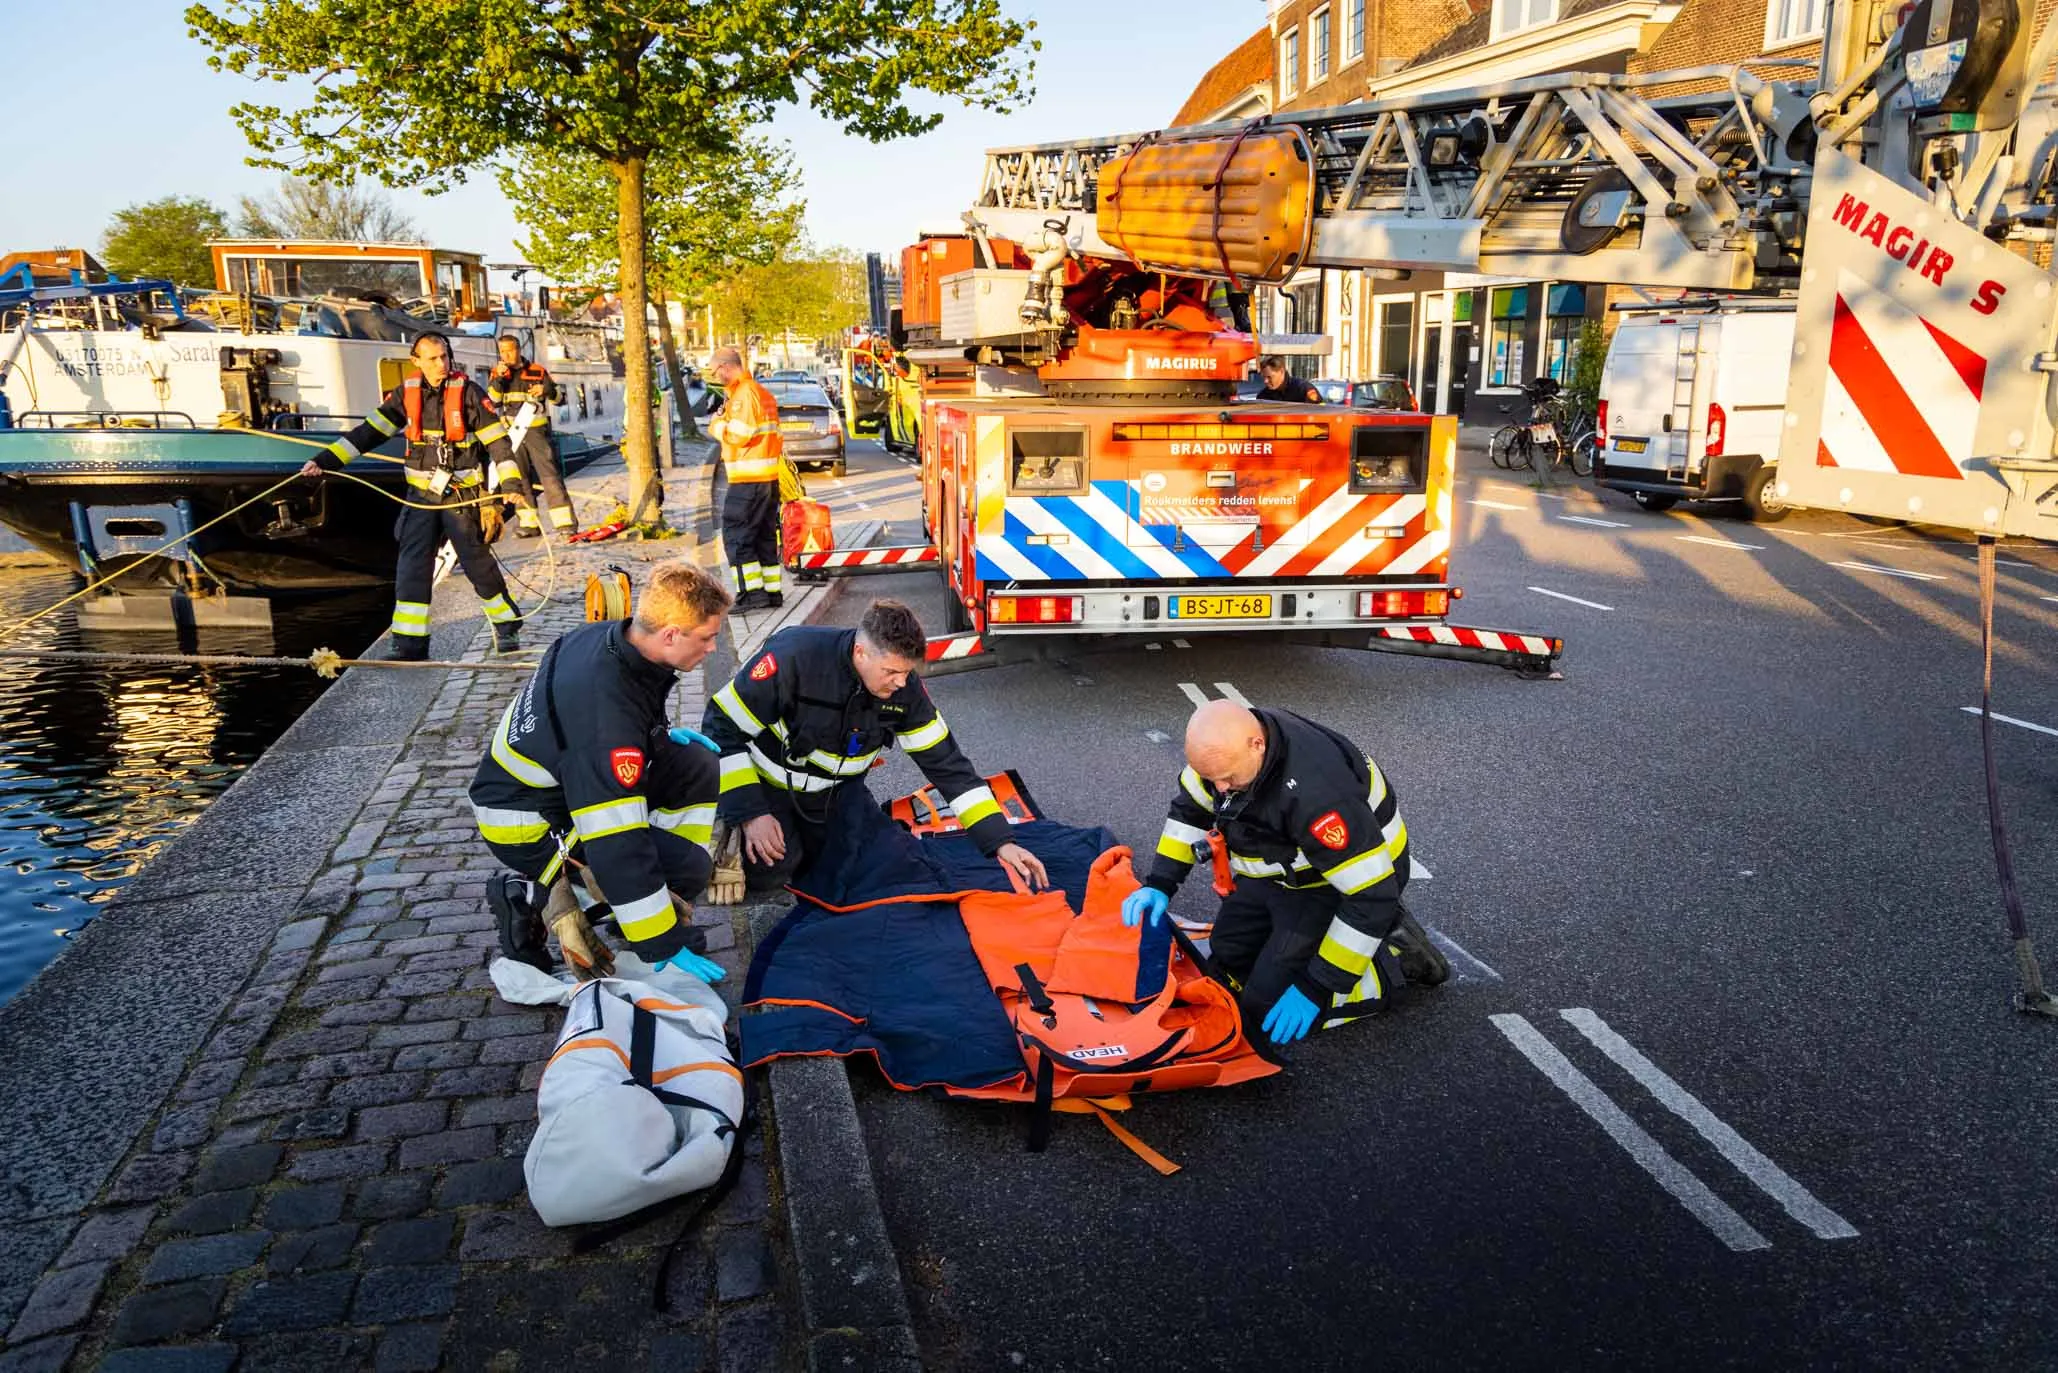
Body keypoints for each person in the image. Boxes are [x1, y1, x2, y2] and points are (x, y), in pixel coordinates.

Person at [1123, 699, 1448, 1048]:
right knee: (1227, 955)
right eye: (1211, 779)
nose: (1219, 789)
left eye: (1228, 779)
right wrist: (1160, 884)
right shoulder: (1224, 756)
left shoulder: (1316, 793)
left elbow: (1371, 895)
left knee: (1265, 1007)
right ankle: (1312, 954)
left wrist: (1316, 986)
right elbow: (1190, 812)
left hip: (1339, 882)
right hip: (1282, 870)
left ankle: (1394, 963)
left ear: (1257, 745)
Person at [470, 559, 731, 981]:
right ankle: (524, 898)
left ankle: (653, 908)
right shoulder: (605, 725)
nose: (712, 648)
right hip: (526, 824)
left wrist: (656, 736)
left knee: (694, 764)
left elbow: (608, 719)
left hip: (559, 786)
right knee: (686, 867)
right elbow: (617, 839)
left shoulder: (606, 639)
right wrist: (659, 945)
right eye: (707, 637)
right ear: (669, 635)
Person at [701, 598, 1049, 896]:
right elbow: (721, 725)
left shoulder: (905, 688)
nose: (900, 682)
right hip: (773, 788)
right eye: (891, 671)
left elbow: (948, 766)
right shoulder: (795, 657)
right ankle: (728, 827)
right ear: (861, 652)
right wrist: (751, 813)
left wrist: (1001, 842)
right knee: (774, 871)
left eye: (907, 672)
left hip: (838, 793)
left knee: (873, 867)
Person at [301, 331, 526, 660]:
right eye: (433, 358)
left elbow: (498, 442)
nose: (441, 364)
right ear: (416, 361)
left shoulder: (469, 393)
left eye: (445, 356)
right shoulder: (406, 395)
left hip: (460, 499)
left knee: (477, 565)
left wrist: (511, 486)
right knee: (411, 568)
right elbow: (367, 433)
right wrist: (325, 461)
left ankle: (507, 627)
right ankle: (409, 645)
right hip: (420, 499)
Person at [705, 346, 784, 611]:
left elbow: (741, 434)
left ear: (726, 367)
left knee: (737, 537)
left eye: (716, 372)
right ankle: (772, 592)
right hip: (766, 478)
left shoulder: (744, 394)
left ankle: (750, 595)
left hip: (748, 479)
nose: (716, 377)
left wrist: (717, 426)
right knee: (763, 537)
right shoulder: (759, 392)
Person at [486, 334, 577, 539]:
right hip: (512, 435)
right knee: (520, 480)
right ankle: (528, 525)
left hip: (536, 432)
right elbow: (493, 402)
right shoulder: (498, 374)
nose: (506, 354)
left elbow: (560, 399)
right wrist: (499, 378)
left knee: (550, 476)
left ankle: (565, 524)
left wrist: (546, 389)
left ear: (518, 350)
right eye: (502, 351)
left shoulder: (537, 371)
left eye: (510, 350)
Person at [1253, 354, 1321, 404]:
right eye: (1263, 377)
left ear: (1281, 371)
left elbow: (1321, 413)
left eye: (1269, 377)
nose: (1265, 381)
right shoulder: (1263, 396)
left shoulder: (1303, 389)